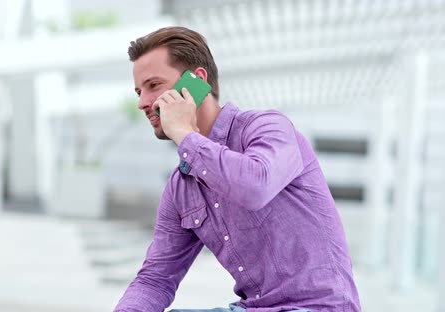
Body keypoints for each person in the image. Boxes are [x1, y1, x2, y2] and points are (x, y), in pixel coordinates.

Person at [114, 26, 362, 312]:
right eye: (138, 90)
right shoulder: (181, 186)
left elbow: (255, 187)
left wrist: (186, 135)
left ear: (195, 82)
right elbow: (155, 279)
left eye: (154, 85)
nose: (142, 102)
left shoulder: (268, 128)